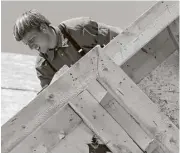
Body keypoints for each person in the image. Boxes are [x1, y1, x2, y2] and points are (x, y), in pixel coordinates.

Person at [13, 9, 122, 90]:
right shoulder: (43, 67)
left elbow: (123, 39)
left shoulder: (79, 28)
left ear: (43, 28)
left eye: (32, 40)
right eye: (28, 44)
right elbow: (51, 102)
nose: (31, 47)